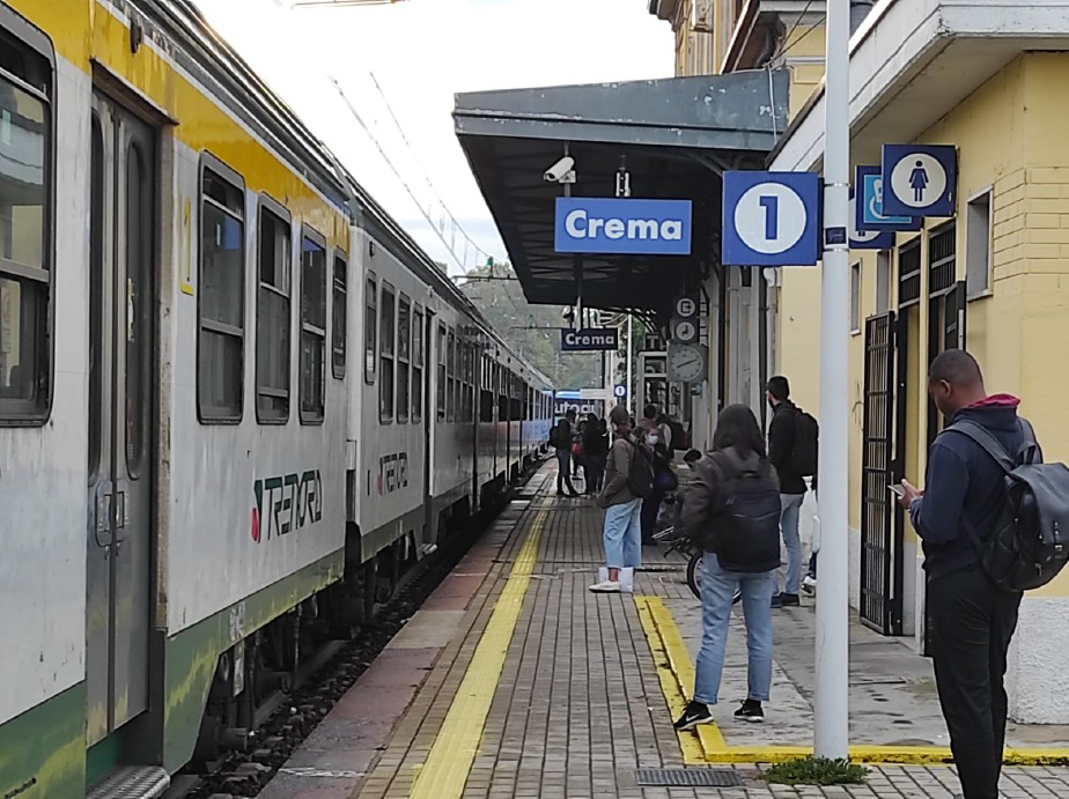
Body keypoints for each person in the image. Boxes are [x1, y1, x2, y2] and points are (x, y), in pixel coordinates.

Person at [898, 350, 1033, 799]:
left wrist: (914, 504)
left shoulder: (952, 444)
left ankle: (980, 793)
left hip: (959, 585)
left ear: (945, 389)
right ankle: (986, 786)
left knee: (965, 697)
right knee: (990, 687)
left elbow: (937, 524)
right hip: (1007, 579)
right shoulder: (1022, 431)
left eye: (933, 391)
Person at [674, 405, 779, 729]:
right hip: (762, 558)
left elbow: (692, 512)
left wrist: (702, 541)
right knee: (760, 631)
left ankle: (702, 704)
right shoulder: (766, 466)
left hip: (722, 556)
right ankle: (754, 702)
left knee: (715, 631)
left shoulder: (710, 465)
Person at [590, 405, 644, 593]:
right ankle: (628, 576)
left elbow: (622, 474)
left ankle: (613, 578)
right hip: (636, 495)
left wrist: (606, 494)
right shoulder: (633, 441)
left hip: (622, 497)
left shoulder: (620, 444)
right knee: (632, 535)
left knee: (612, 534)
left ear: (613, 424)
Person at [766, 376, 808, 608]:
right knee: (792, 540)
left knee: (769, 535)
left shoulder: (781, 419)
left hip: (781, 488)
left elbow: (775, 455)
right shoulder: (797, 415)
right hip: (797, 488)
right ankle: (791, 591)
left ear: (770, 396)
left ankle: (772, 592)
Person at [637, 404, 672, 545]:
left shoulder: (637, 430)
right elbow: (664, 456)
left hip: (643, 482)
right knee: (650, 510)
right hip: (654, 481)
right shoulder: (657, 430)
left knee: (642, 510)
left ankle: (641, 535)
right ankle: (646, 535)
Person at [549, 410, 579, 497]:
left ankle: (570, 489)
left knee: (565, 471)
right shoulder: (564, 424)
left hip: (563, 450)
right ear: (571, 416)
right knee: (563, 471)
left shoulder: (564, 424)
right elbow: (563, 437)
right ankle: (561, 489)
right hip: (563, 450)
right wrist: (570, 437)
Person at [581, 413, 609, 495]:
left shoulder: (586, 431)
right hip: (597, 454)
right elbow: (603, 442)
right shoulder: (599, 431)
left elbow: (584, 442)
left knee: (588, 472)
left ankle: (589, 488)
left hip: (587, 454)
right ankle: (596, 488)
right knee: (596, 472)